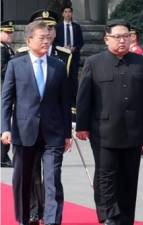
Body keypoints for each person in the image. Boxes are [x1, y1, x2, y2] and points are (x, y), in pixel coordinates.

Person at [75, 19, 143, 225]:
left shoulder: (141, 62)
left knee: (129, 176)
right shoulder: (94, 62)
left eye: (126, 36)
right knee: (106, 175)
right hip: (103, 129)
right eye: (117, 37)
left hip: (134, 129)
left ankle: (125, 218)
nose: (123, 40)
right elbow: (84, 97)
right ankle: (109, 214)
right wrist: (81, 126)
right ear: (106, 39)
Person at [1, 20, 72, 225]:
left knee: (52, 180)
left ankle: (52, 221)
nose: (46, 42)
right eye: (42, 38)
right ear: (29, 39)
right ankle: (25, 218)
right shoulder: (16, 65)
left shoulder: (58, 66)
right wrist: (5, 128)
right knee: (24, 180)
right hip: (24, 131)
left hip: (54, 132)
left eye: (49, 38)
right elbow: (6, 99)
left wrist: (67, 133)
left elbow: (64, 102)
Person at [23, 10, 73, 224]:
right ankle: (35, 211)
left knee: (52, 178)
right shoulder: (21, 55)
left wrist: (68, 126)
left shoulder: (63, 56)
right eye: (44, 29)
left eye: (51, 28)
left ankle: (52, 218)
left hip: (53, 126)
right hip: (29, 126)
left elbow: (68, 92)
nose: (49, 33)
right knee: (32, 175)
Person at [55, 5, 84, 107]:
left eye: (69, 12)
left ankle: (74, 101)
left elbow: (81, 41)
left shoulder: (76, 27)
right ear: (62, 14)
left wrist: (75, 48)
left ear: (72, 14)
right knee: (62, 77)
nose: (68, 14)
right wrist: (63, 48)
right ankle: (62, 98)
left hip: (74, 56)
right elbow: (54, 42)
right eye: (66, 12)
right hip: (62, 57)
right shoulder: (58, 27)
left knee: (73, 78)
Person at [0, 20, 15, 168]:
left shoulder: (6, 48)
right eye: (7, 32)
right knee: (3, 125)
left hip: (5, 90)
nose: (10, 34)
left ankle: (3, 156)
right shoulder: (2, 50)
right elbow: (3, 70)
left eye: (11, 32)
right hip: (2, 90)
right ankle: (2, 157)